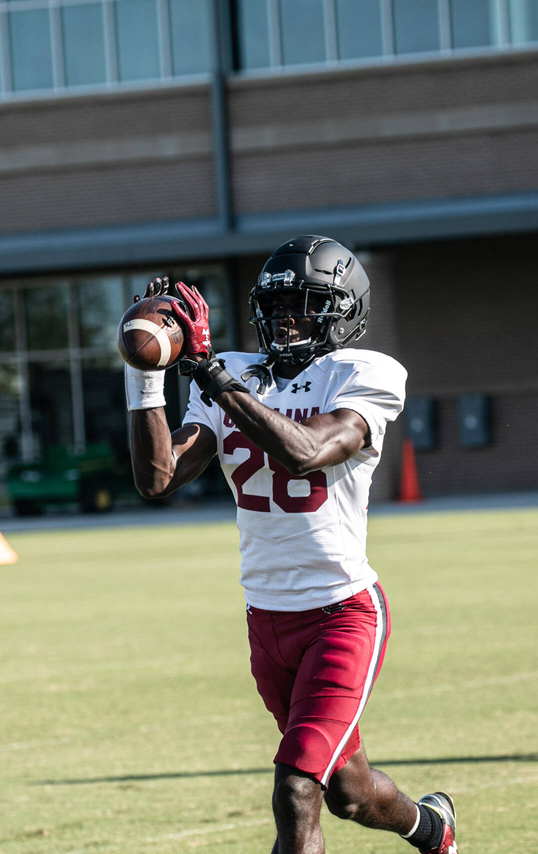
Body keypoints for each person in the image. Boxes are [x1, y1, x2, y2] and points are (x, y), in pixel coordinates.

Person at [124, 236, 456, 854]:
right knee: (348, 790)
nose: (285, 318)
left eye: (303, 304)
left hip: (343, 613)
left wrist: (212, 373)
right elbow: (158, 476)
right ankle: (433, 830)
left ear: (343, 309)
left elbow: (307, 453)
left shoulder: (365, 372)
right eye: (275, 306)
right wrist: (145, 375)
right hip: (266, 617)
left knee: (296, 788)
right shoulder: (232, 371)